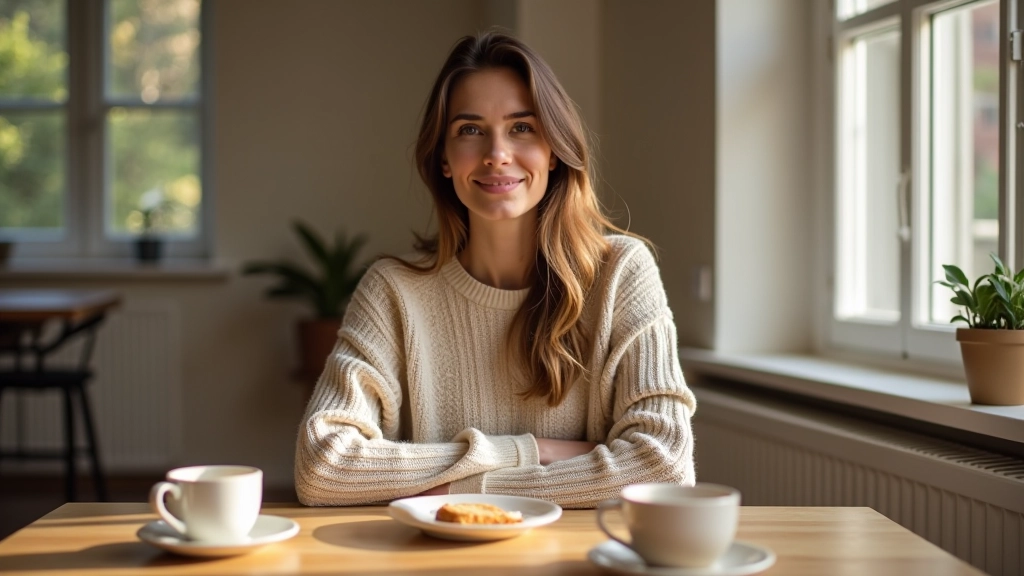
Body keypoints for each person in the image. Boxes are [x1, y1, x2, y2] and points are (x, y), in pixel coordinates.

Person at [294, 31, 695, 509]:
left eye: (522, 127)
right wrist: (533, 452)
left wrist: (452, 487)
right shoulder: (392, 292)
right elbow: (322, 467)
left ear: (554, 148)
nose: (496, 153)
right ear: (443, 158)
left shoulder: (621, 274)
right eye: (469, 129)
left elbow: (664, 467)